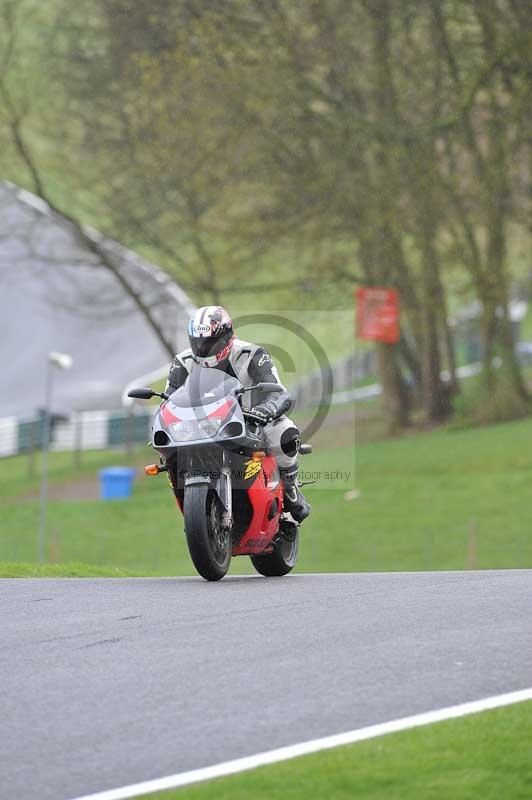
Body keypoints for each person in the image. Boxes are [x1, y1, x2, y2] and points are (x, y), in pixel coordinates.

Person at [165, 306, 311, 523]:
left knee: (283, 429)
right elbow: (168, 400)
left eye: (211, 342)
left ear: (227, 337)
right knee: (168, 445)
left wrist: (266, 410)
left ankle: (289, 487)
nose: (205, 348)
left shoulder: (252, 354)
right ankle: (193, 502)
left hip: (249, 421)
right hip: (200, 427)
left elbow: (278, 392)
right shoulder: (183, 361)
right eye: (199, 343)